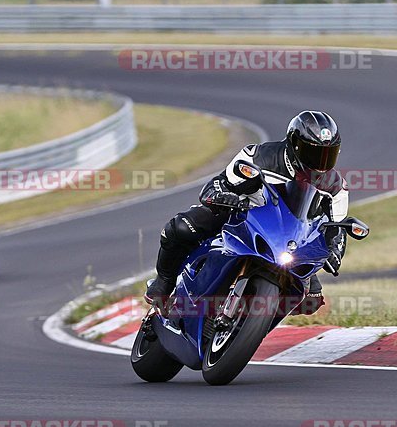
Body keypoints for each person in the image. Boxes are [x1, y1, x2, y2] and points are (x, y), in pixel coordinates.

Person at [145, 110, 349, 315]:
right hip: (244, 215)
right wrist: (222, 196)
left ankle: (252, 324)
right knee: (181, 227)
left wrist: (334, 252)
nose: (320, 163)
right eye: (313, 153)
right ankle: (164, 284)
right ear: (293, 143)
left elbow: (338, 227)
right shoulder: (258, 156)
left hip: (292, 241)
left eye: (327, 155)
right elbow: (219, 183)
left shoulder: (335, 187)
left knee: (310, 300)